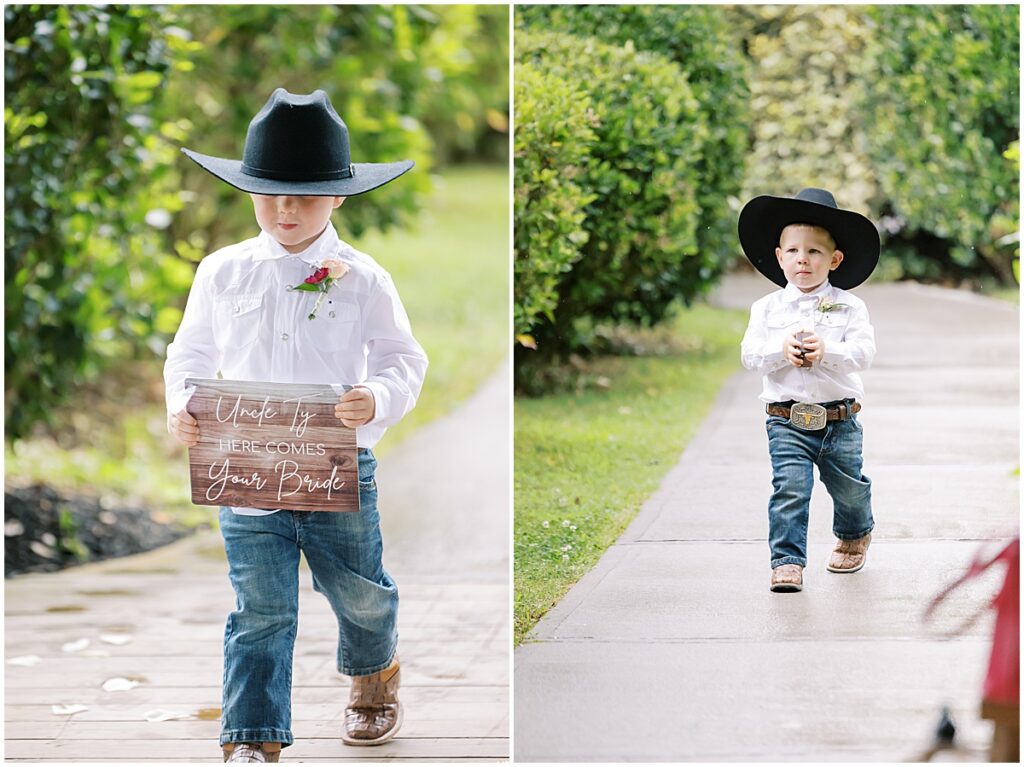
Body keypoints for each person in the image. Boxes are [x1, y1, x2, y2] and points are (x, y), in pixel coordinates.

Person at [164, 88, 428, 762]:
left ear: (337, 197)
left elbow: (405, 358)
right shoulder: (223, 273)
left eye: (305, 194)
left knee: (359, 591)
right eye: (271, 192)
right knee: (260, 607)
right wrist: (184, 405)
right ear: (249, 190)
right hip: (247, 467)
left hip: (337, 465)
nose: (286, 208)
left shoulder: (362, 279)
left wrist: (376, 395)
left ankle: (374, 676)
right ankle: (253, 732)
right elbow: (190, 353)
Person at [738, 188, 879, 593]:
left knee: (849, 488)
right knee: (790, 489)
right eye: (794, 250)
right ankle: (787, 561)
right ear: (780, 256)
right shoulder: (766, 310)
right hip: (786, 419)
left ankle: (854, 534)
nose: (804, 259)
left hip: (840, 419)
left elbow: (863, 353)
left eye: (815, 251)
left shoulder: (850, 307)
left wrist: (827, 351)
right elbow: (750, 355)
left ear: (834, 260)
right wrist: (780, 352)